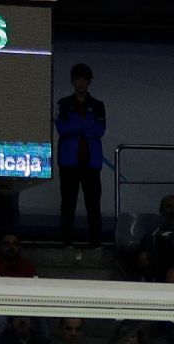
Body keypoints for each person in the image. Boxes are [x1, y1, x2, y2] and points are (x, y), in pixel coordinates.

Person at [54, 63, 107, 249]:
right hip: (69, 161)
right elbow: (62, 129)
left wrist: (76, 124)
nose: (81, 83)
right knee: (68, 203)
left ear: (89, 81)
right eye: (78, 78)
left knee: (93, 204)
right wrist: (86, 123)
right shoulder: (64, 103)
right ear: (72, 81)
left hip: (91, 161)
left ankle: (96, 242)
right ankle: (67, 241)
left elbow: (99, 131)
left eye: (84, 79)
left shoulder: (98, 105)